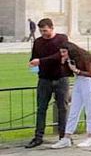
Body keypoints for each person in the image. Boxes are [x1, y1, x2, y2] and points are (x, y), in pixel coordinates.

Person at [26, 18, 72, 148]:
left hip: (61, 77)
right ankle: (38, 136)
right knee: (41, 108)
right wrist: (33, 63)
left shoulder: (62, 39)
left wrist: (41, 61)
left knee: (62, 108)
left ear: (52, 28)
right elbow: (34, 57)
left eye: (45, 30)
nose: (43, 33)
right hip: (44, 79)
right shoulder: (38, 42)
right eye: (41, 31)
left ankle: (64, 136)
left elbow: (59, 56)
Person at [57, 43, 91, 149]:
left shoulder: (83, 58)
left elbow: (90, 73)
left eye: (64, 52)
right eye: (61, 52)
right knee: (74, 109)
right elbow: (66, 73)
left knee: (90, 109)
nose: (62, 54)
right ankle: (67, 137)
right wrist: (63, 64)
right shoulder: (70, 59)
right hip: (79, 81)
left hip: (88, 82)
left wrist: (76, 70)